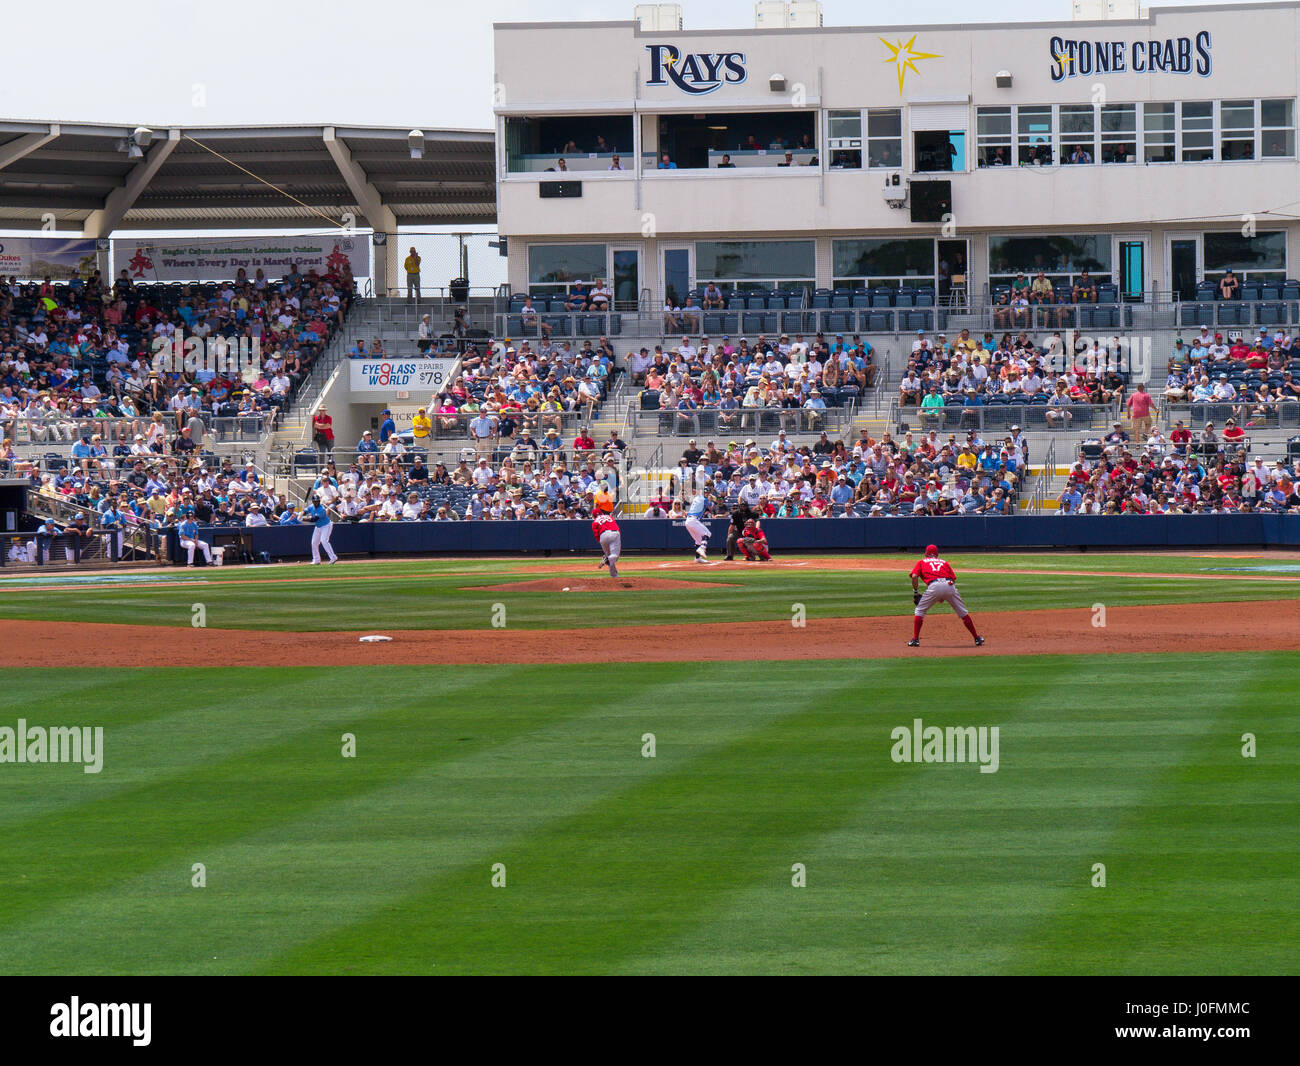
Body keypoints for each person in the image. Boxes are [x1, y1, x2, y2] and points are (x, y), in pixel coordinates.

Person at [907, 544, 985, 647]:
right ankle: (976, 638)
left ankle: (915, 639)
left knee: (919, 611)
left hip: (934, 586)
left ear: (926, 554)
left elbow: (914, 576)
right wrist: (944, 595)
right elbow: (953, 578)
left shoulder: (921, 562)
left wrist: (916, 592)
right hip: (949, 585)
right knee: (963, 613)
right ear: (937, 554)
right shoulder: (944, 562)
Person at [302, 492, 338, 564]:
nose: (316, 503)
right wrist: (301, 513)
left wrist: (302, 519)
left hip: (326, 526)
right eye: (315, 501)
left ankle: (333, 557)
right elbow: (305, 511)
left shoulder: (321, 509)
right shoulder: (311, 506)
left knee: (324, 540)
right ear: (313, 502)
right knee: (314, 543)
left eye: (317, 501)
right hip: (318, 527)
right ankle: (316, 560)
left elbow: (314, 519)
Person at [593, 510, 622, 578]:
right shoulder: (609, 517)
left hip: (602, 535)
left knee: (610, 557)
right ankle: (607, 559)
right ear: (602, 513)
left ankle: (615, 576)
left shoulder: (594, 522)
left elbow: (596, 535)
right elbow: (616, 526)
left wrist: (602, 542)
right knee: (615, 556)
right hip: (614, 533)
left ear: (593, 516)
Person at [684, 490, 710, 562]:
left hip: (688, 521)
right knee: (707, 533)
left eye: (707, 493)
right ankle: (702, 548)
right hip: (693, 520)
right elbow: (710, 506)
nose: (707, 494)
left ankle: (697, 558)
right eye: (705, 492)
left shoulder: (697, 498)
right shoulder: (704, 499)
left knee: (698, 540)